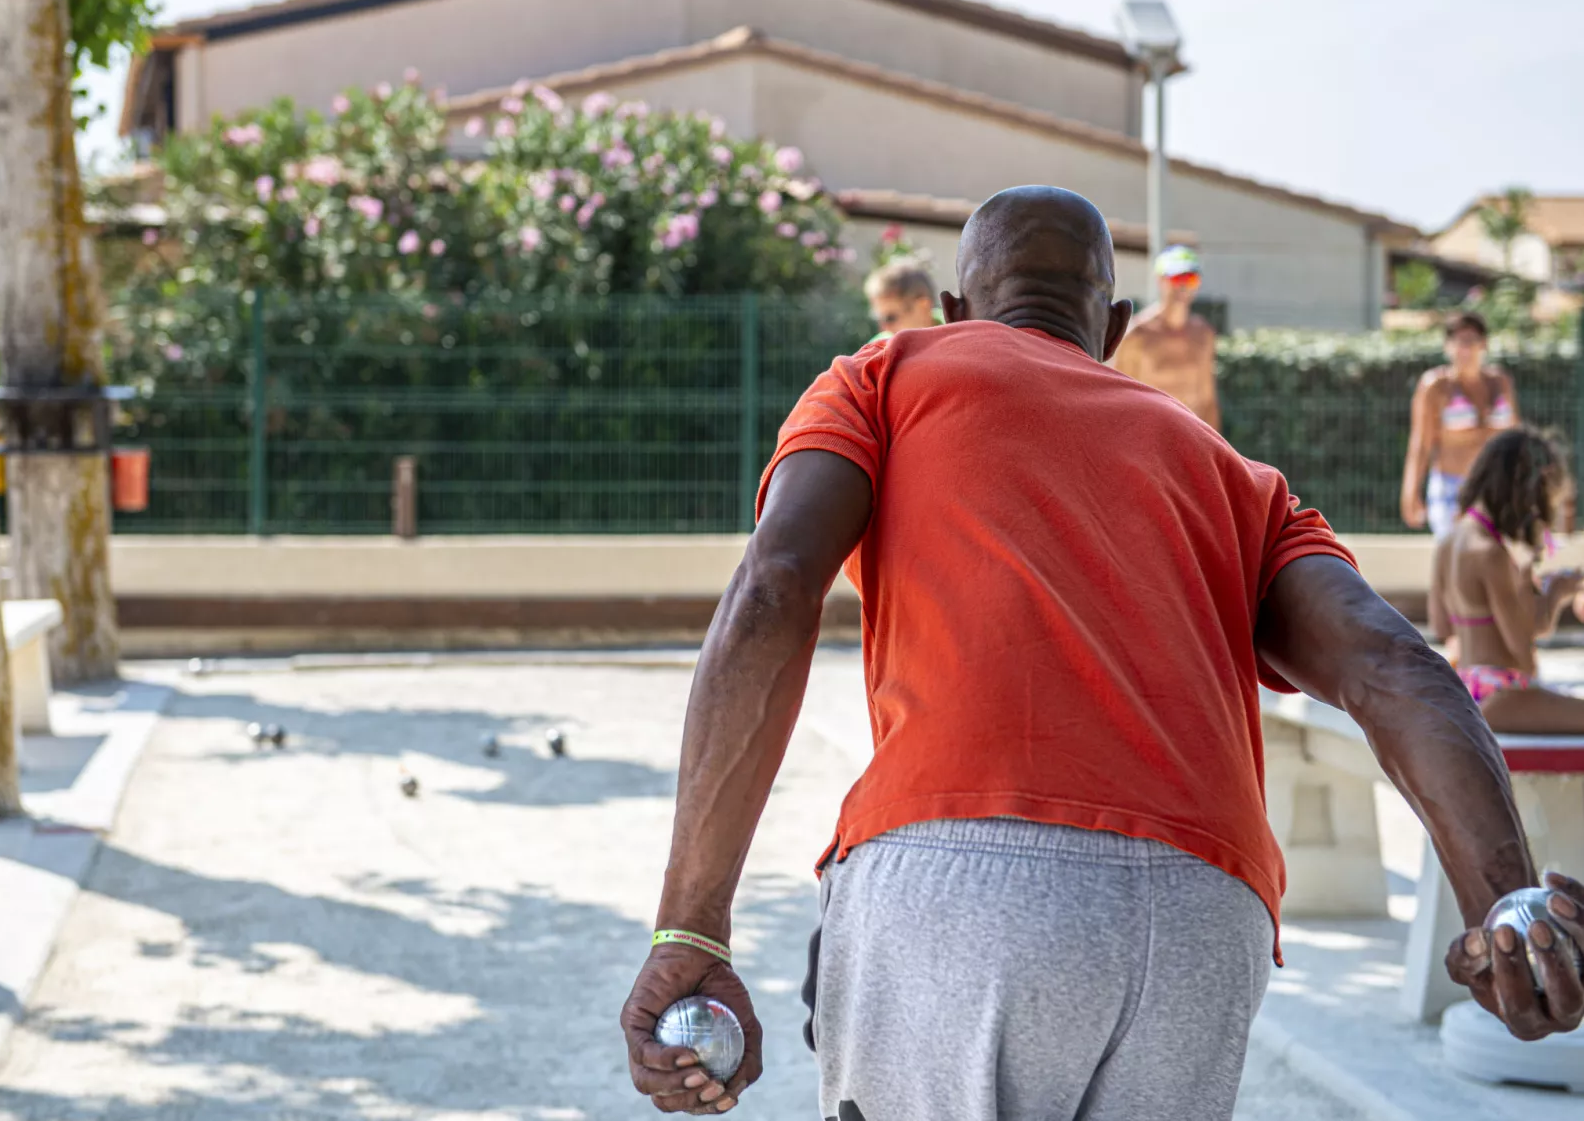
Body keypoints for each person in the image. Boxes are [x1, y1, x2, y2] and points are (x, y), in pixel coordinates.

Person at [622, 186, 1583, 1120]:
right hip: (1206, 913)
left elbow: (774, 586)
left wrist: (690, 925)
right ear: (1116, 326)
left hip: (963, 875)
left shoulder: (885, 374)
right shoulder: (1232, 473)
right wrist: (1508, 909)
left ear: (958, 311)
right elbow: (1396, 667)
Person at [1430, 425, 1584, 733]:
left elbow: (1441, 626)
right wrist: (1551, 594)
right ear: (1526, 490)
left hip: (1467, 688)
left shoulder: (1450, 541)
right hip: (1502, 694)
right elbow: (1523, 654)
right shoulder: (1492, 554)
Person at [1401, 310, 1519, 538]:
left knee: (1497, 563)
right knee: (1457, 559)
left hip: (1495, 487)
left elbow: (1516, 437)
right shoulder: (1435, 386)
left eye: (1471, 341)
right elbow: (1421, 444)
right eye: (1458, 341)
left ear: (1483, 344)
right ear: (1448, 346)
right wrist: (1410, 492)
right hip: (1451, 489)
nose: (1465, 349)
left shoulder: (1501, 382)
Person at [1110, 243, 1221, 429]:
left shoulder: (1203, 334)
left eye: (1191, 278)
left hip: (1193, 439)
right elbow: (1119, 398)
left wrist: (1217, 452)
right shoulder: (1137, 335)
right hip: (1151, 441)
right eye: (1177, 277)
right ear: (1161, 280)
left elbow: (1208, 400)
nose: (1184, 285)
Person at [862, 257, 941, 342]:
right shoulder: (879, 348)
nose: (884, 328)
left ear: (923, 307)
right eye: (879, 319)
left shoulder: (955, 328)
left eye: (890, 318)